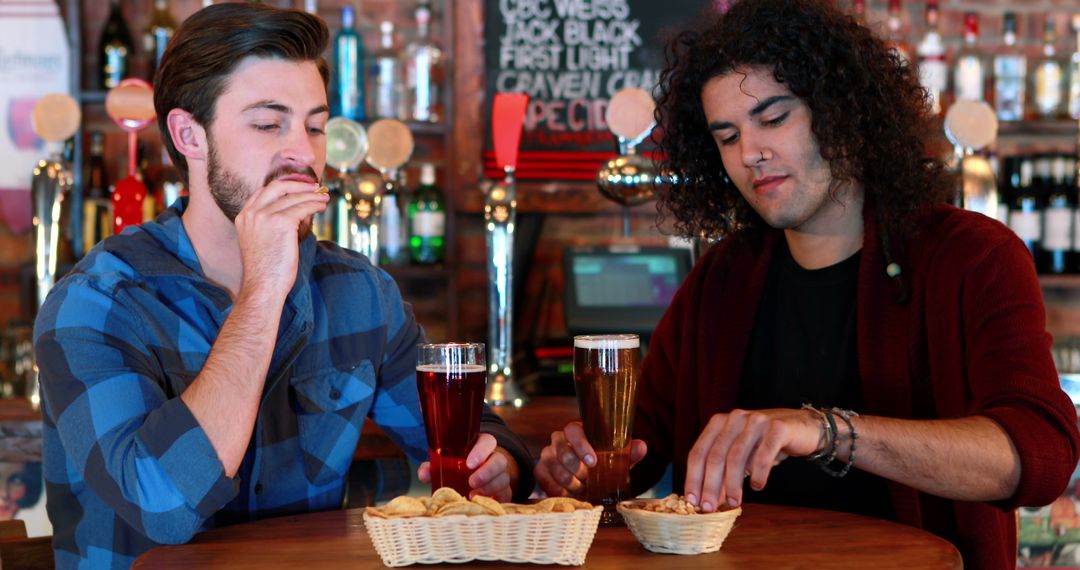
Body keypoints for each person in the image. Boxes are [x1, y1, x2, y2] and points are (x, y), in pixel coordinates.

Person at [534, 0, 1080, 567]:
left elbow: (1039, 453)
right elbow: (635, 454)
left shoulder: (972, 257)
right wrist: (581, 468)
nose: (751, 153)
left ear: (840, 110)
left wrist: (825, 430)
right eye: (726, 136)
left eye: (773, 118)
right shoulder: (721, 278)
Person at [33, 4, 534, 568]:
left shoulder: (360, 292)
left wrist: (501, 468)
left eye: (315, 125)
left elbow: (467, 438)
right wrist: (264, 289)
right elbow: (163, 504)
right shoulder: (97, 304)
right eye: (269, 124)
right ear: (189, 135)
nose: (304, 152)